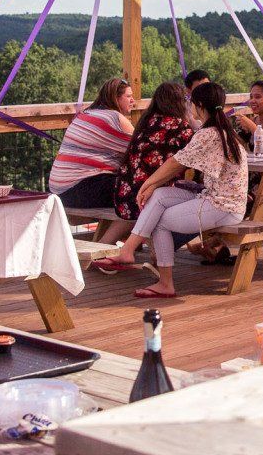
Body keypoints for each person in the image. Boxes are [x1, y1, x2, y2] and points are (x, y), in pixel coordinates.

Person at [96, 82, 248, 301]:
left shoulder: (209, 134)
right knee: (158, 196)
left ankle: (164, 282)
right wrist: (152, 186)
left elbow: (177, 162)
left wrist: (149, 182)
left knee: (159, 219)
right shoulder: (221, 131)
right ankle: (128, 251)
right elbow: (178, 162)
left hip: (223, 206)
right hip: (218, 198)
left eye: (191, 102)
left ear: (198, 105)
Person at [47, 77, 136, 239]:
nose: (133, 101)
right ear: (116, 98)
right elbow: (141, 152)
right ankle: (105, 246)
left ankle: (113, 247)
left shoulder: (85, 114)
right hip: (80, 189)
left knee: (129, 189)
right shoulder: (115, 119)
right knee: (142, 194)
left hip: (58, 190)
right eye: (129, 96)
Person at [113, 81, 193, 221]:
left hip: (124, 199)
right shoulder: (181, 127)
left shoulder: (146, 121)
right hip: (149, 200)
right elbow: (196, 159)